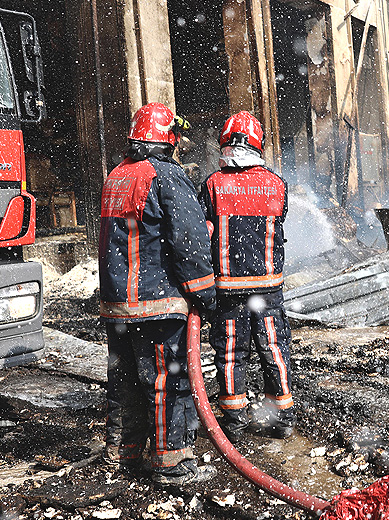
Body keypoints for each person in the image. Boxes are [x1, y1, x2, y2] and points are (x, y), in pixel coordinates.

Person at [98, 103, 217, 486]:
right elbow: (189, 241)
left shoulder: (117, 175)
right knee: (168, 382)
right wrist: (205, 294)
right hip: (156, 303)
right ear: (169, 138)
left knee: (125, 380)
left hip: (118, 305)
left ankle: (122, 453)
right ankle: (173, 462)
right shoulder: (166, 176)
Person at [198, 111, 296, 441]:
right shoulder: (276, 184)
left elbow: (202, 231)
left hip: (226, 291)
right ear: (258, 145)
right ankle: (280, 416)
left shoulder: (212, 185)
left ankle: (234, 421)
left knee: (230, 355)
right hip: (267, 290)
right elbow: (280, 217)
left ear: (224, 144)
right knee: (274, 349)